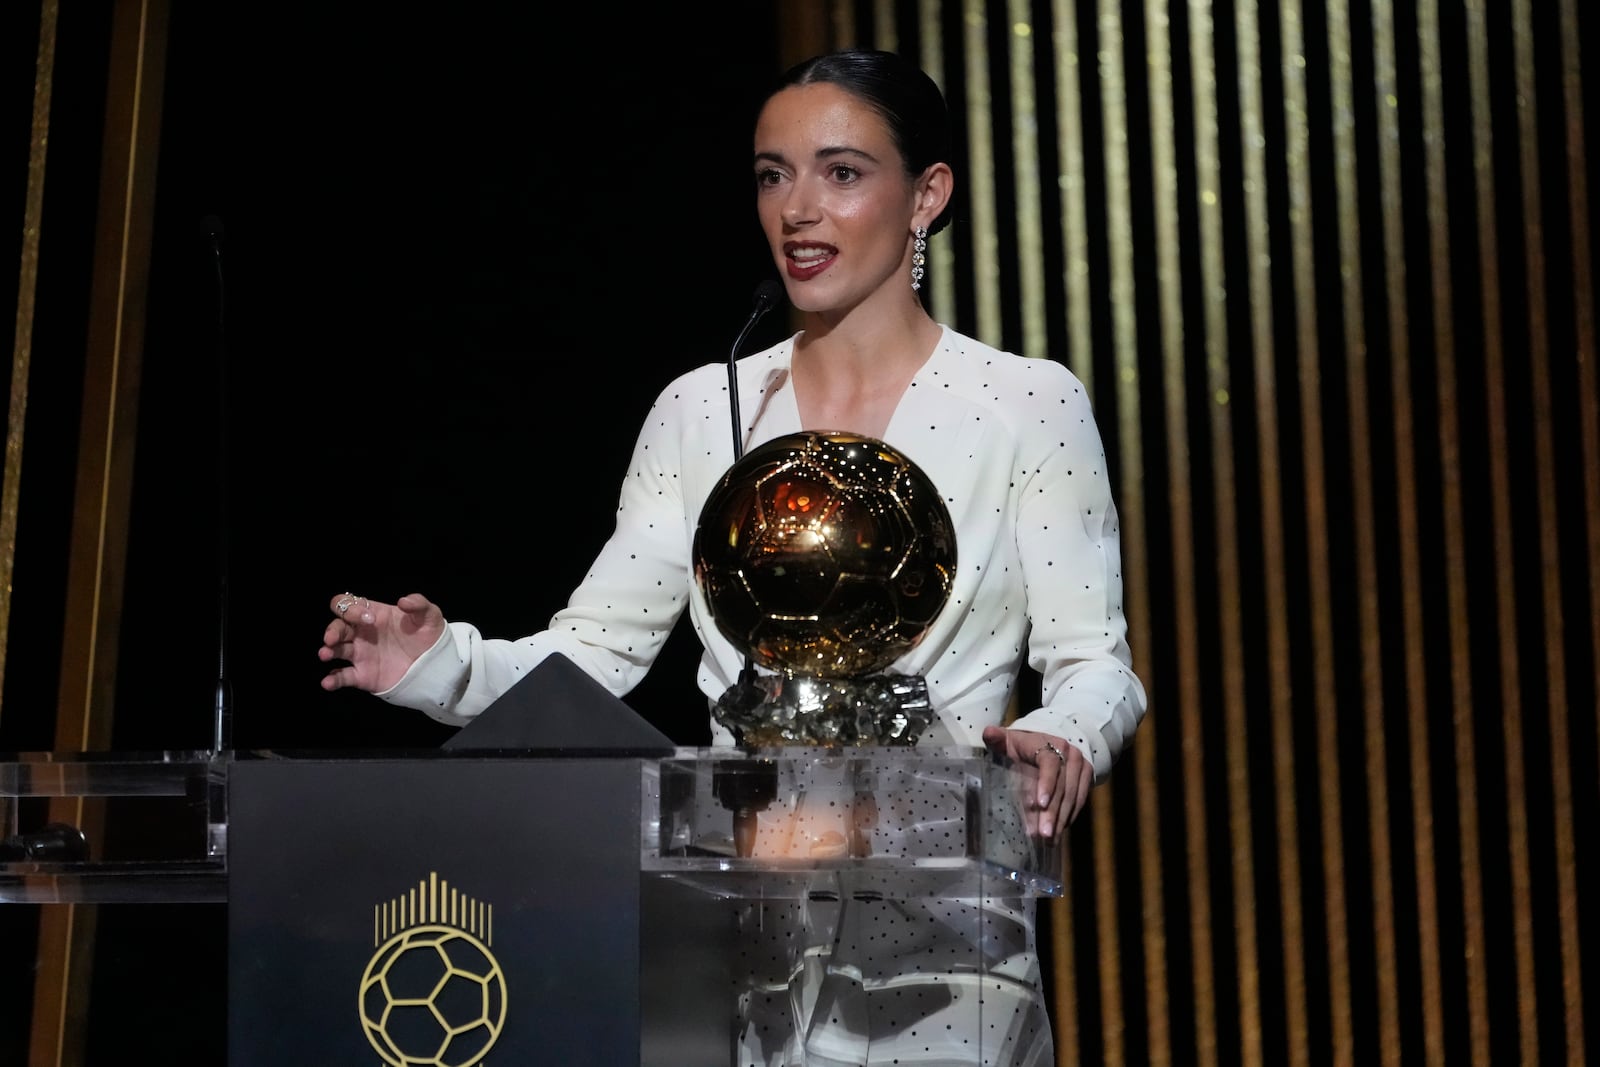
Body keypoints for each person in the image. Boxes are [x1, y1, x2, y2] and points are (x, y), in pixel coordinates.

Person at [319, 48, 1146, 1066]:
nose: (798, 207)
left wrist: (1060, 735)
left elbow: (1094, 662)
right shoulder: (701, 410)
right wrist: (439, 663)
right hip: (732, 953)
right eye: (772, 173)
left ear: (927, 193)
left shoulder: (1028, 406)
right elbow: (595, 656)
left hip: (940, 955)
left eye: (840, 172)